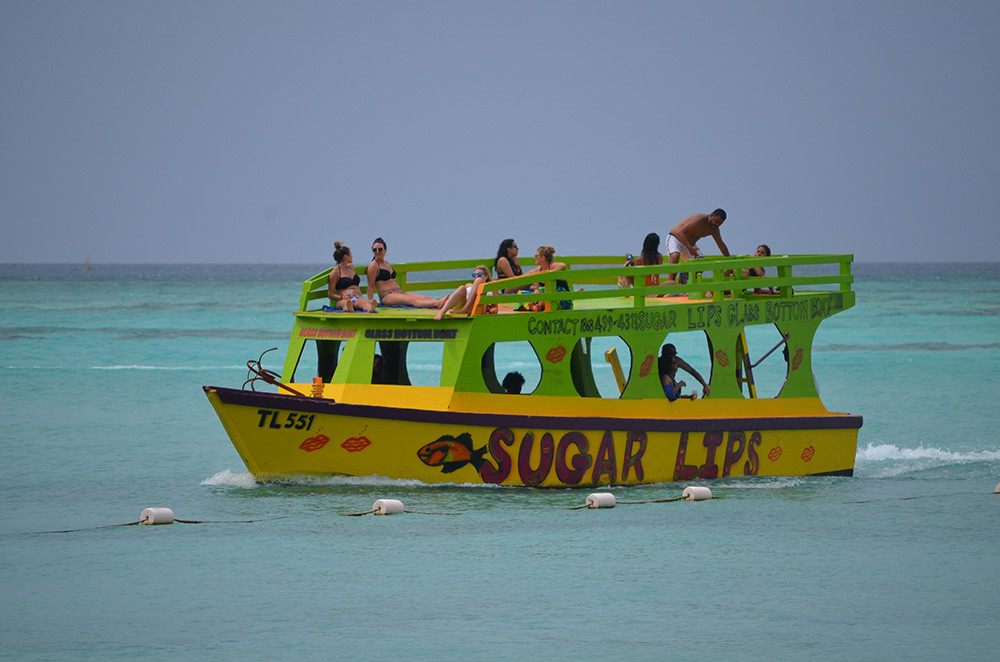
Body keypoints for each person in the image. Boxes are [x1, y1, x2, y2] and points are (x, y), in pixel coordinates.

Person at [366, 237, 445, 309]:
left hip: (399, 293)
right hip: (387, 296)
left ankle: (441, 302)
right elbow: (370, 287)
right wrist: (370, 304)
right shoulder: (373, 266)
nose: (377, 251)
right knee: (413, 301)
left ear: (385, 250)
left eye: (380, 249)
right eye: (374, 250)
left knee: (426, 298)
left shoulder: (386, 263)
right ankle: (438, 303)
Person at [666, 209, 731, 285]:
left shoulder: (715, 230)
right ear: (711, 216)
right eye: (716, 221)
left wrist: (729, 260)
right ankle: (671, 285)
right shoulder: (699, 220)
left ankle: (684, 285)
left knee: (701, 262)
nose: (717, 224)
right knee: (675, 256)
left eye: (720, 224)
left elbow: (721, 245)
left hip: (690, 245)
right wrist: (690, 249)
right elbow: (680, 232)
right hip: (675, 238)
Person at [328, 241, 377, 312]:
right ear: (345, 257)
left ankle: (370, 308)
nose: (352, 256)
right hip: (344, 299)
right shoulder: (335, 273)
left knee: (364, 302)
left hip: (358, 297)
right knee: (345, 304)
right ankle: (349, 309)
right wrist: (342, 297)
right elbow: (330, 294)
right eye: (350, 255)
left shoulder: (351, 267)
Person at [522, 245, 570, 310]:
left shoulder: (554, 266)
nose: (534, 258)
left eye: (536, 256)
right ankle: (535, 307)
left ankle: (536, 307)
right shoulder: (537, 271)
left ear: (543, 257)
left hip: (560, 299)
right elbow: (538, 289)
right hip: (545, 298)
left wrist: (548, 276)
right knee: (523, 294)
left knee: (547, 294)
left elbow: (563, 265)